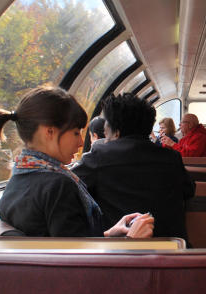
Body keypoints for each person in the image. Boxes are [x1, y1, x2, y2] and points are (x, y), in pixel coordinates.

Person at [0, 85, 154, 238]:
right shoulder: (58, 186)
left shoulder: (19, 176)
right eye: (76, 133)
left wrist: (109, 234)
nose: (81, 142)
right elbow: (76, 264)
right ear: (49, 132)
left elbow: (65, 244)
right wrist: (131, 240)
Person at [73, 93, 192, 240]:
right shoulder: (172, 158)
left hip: (121, 252)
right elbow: (189, 190)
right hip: (173, 251)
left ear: (115, 131)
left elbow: (69, 185)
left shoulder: (99, 157)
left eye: (106, 130)